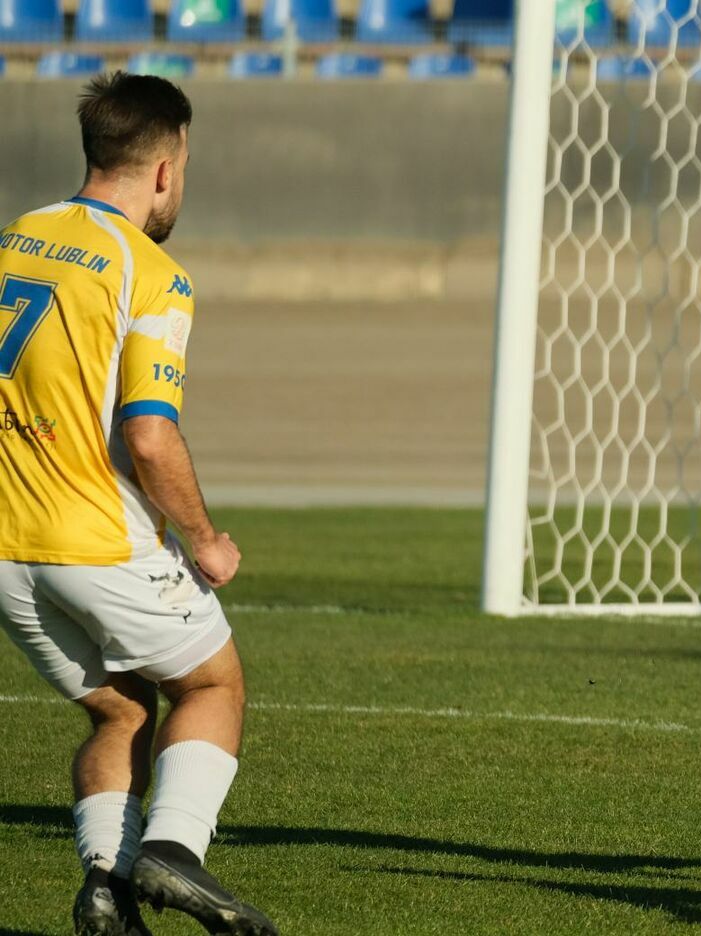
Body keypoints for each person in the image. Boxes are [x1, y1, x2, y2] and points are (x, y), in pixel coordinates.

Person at [0, 72, 277, 936]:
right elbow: (151, 436)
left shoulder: (16, 238)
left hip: (6, 553)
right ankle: (176, 852)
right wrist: (205, 540)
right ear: (164, 169)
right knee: (213, 684)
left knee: (120, 707)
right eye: (183, 169)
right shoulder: (151, 272)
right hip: (94, 539)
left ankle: (106, 887)